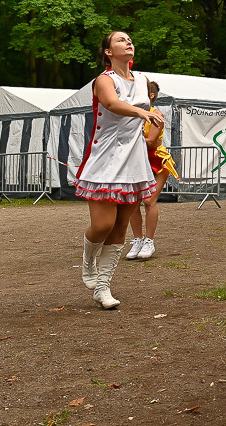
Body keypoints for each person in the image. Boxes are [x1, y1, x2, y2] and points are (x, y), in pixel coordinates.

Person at [76, 31, 163, 310]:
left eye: (129, 39)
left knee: (121, 227)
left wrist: (156, 123)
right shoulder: (103, 80)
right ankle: (88, 257)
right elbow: (112, 104)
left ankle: (103, 287)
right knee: (102, 225)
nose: (128, 42)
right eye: (120, 40)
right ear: (108, 52)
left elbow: (145, 128)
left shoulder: (143, 80)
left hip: (134, 158)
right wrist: (142, 113)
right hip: (105, 158)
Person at [126, 79, 178, 260]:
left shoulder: (156, 115)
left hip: (157, 161)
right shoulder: (132, 114)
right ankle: (137, 239)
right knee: (132, 203)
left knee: (148, 201)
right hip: (136, 161)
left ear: (151, 96)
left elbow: (151, 142)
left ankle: (149, 241)